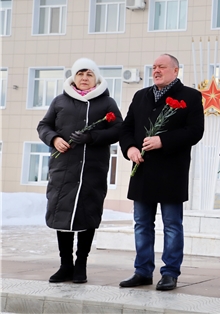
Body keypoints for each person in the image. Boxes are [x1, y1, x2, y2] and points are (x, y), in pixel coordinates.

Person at [119, 54, 204, 291]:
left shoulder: (190, 96)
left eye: (162, 67)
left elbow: (196, 131)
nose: (156, 70)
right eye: (154, 67)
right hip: (143, 170)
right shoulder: (140, 96)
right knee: (141, 224)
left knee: (172, 225)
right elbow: (125, 128)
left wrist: (163, 141)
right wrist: (130, 148)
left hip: (171, 172)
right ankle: (142, 271)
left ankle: (170, 273)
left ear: (175, 70)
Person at [37, 58, 123, 284]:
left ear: (96, 78)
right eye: (80, 74)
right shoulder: (60, 101)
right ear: (73, 77)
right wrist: (54, 139)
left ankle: (81, 265)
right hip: (63, 170)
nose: (84, 78)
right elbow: (43, 126)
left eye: (89, 74)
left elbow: (119, 130)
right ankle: (65, 265)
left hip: (92, 171)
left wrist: (92, 137)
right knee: (61, 215)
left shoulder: (107, 103)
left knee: (87, 214)